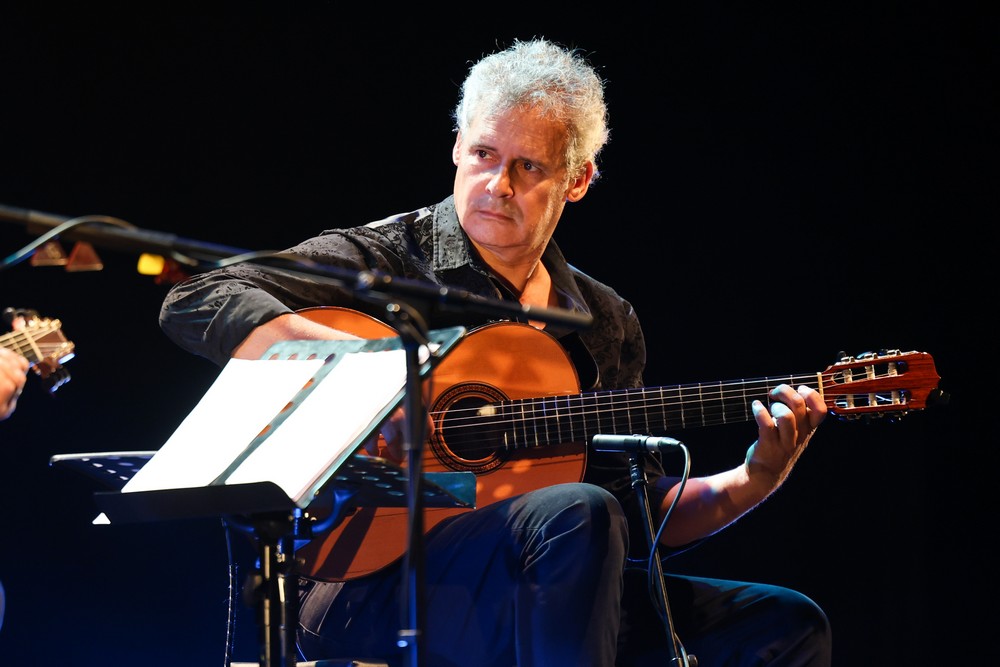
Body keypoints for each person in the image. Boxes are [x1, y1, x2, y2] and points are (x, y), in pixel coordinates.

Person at [159, 38, 832, 666]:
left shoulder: (603, 322)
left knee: (785, 623)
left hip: (550, 579)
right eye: (483, 154)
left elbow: (636, 514)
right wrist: (367, 367)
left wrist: (753, 480)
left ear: (577, 180)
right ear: (456, 148)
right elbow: (197, 297)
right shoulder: (387, 260)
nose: (498, 184)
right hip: (362, 577)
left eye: (528, 166)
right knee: (578, 512)